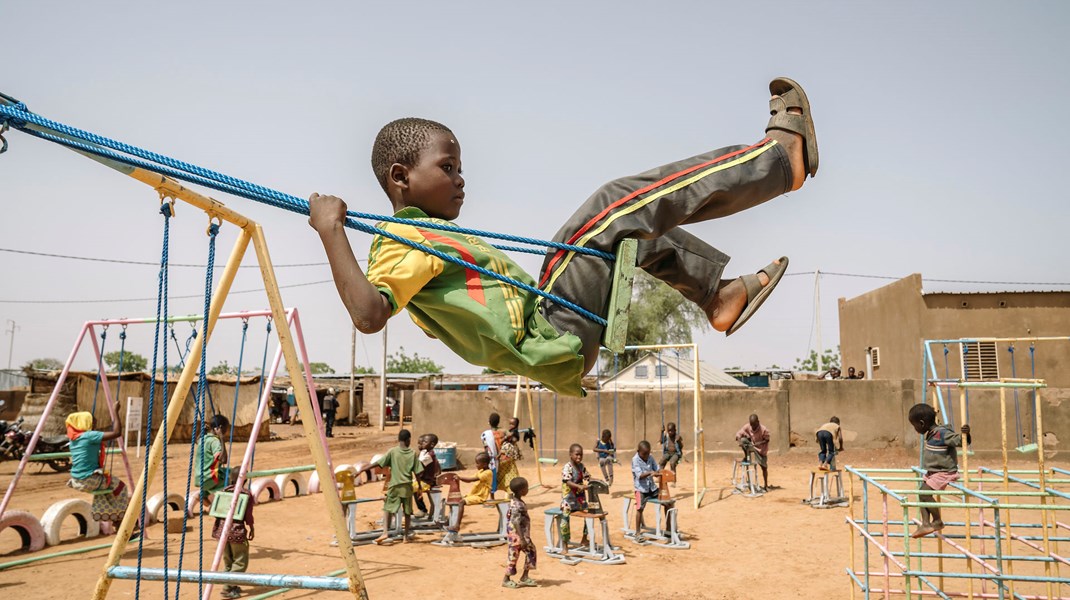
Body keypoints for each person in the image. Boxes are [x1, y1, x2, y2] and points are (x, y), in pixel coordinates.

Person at [308, 78, 818, 398]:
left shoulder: (430, 237)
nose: (461, 178)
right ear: (401, 177)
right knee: (613, 205)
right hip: (551, 333)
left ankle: (718, 296)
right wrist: (332, 229)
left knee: (618, 231)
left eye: (461, 168)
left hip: (550, 329)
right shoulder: (403, 238)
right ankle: (776, 162)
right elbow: (369, 314)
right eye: (448, 167)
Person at [908, 403, 971, 538]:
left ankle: (937, 520)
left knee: (924, 494)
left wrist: (966, 434)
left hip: (944, 472)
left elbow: (960, 441)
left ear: (922, 423)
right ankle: (925, 524)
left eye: (915, 426)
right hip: (933, 471)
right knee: (921, 493)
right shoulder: (931, 433)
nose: (915, 429)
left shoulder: (942, 433)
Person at [65, 411, 131, 526]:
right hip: (90, 480)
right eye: (93, 423)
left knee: (107, 489)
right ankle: (119, 523)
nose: (95, 426)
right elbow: (116, 433)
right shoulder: (89, 436)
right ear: (84, 423)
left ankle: (111, 517)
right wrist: (115, 412)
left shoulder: (74, 438)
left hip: (76, 480)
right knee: (121, 488)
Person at [367, 428, 423, 544]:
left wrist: (363, 469)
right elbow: (417, 472)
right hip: (407, 487)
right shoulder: (412, 453)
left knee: (388, 509)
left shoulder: (392, 452)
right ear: (408, 440)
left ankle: (385, 532)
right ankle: (406, 536)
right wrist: (420, 488)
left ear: (399, 440)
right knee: (407, 512)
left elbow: (378, 463)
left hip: (394, 486)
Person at [211, 482, 255, 600]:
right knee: (240, 561)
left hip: (221, 532)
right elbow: (248, 515)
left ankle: (232, 585)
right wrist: (251, 528)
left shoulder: (224, 491)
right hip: (236, 533)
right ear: (244, 479)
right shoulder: (245, 493)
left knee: (228, 560)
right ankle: (227, 587)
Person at [443, 452, 493, 543]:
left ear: (485, 464)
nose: (476, 465)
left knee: (461, 502)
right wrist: (460, 478)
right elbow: (469, 479)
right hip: (474, 494)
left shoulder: (488, 473)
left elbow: (472, 480)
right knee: (456, 500)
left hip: (481, 496)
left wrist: (460, 478)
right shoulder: (481, 471)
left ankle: (457, 525)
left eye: (478, 463)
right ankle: (448, 521)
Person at [502, 477, 537, 589]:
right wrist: (521, 539)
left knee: (531, 551)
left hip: (521, 535)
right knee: (513, 556)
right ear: (522, 490)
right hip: (517, 536)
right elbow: (516, 522)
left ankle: (525, 577)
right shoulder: (517, 505)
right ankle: (506, 579)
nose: (528, 489)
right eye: (526, 488)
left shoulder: (516, 500)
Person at [560, 443, 591, 552]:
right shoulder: (567, 467)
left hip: (580, 499)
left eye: (581, 455)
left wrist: (592, 482)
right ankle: (565, 544)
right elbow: (567, 481)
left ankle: (584, 538)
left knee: (590, 514)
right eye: (577, 454)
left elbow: (587, 476)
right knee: (564, 520)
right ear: (570, 454)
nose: (579, 457)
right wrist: (579, 486)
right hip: (568, 499)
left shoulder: (582, 466)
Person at [194, 414, 230, 508]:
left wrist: (203, 431)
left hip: (199, 479)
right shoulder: (215, 441)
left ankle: (203, 497)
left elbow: (197, 440)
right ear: (220, 428)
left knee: (222, 471)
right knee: (235, 476)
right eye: (226, 429)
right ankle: (227, 505)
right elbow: (224, 460)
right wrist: (222, 438)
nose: (226, 432)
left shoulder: (203, 439)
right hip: (210, 480)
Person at [630, 440, 662, 540]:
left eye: (648, 453)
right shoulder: (635, 460)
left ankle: (669, 529)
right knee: (639, 509)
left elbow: (657, 468)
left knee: (666, 501)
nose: (646, 456)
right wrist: (651, 472)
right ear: (638, 451)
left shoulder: (650, 457)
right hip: (640, 489)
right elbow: (640, 476)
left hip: (651, 488)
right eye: (644, 454)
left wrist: (658, 472)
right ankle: (638, 533)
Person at [736, 413, 771, 489]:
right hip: (752, 446)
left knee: (764, 467)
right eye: (751, 425)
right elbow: (738, 434)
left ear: (758, 422)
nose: (752, 427)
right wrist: (740, 442)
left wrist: (758, 443)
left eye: (754, 425)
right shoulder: (748, 426)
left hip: (761, 449)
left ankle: (766, 485)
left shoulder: (763, 429)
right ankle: (746, 456)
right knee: (743, 440)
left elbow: (767, 440)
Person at [413, 433, 442, 520]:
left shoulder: (430, 455)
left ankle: (422, 509)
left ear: (432, 444)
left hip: (428, 481)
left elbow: (419, 465)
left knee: (412, 488)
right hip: (423, 479)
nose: (422, 444)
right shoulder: (424, 452)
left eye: (425, 442)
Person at [481, 412, 504, 496]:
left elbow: (486, 447)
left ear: (489, 422)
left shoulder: (485, 434)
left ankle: (491, 497)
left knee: (489, 478)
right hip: (499, 458)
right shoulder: (501, 433)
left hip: (490, 459)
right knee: (494, 477)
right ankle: (492, 497)